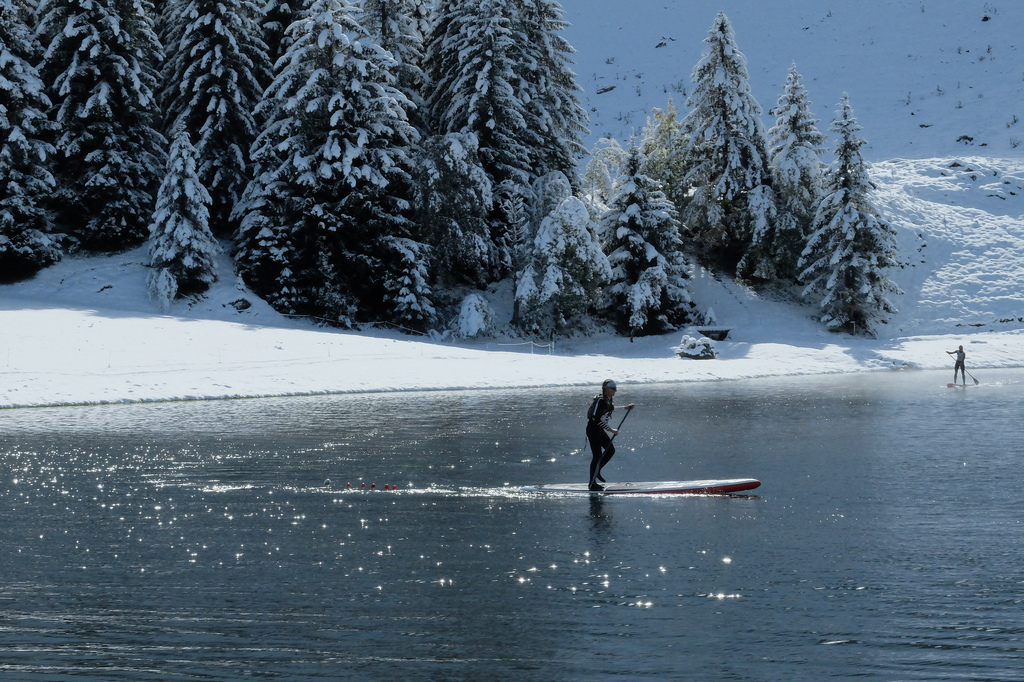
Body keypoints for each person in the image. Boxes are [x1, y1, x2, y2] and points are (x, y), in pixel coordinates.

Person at [586, 379, 634, 491]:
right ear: (606, 389)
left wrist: (626, 408)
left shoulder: (608, 399)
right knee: (597, 456)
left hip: (599, 430)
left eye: (615, 389)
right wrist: (611, 430)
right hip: (593, 430)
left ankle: (597, 472)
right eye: (613, 389)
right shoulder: (600, 401)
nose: (615, 391)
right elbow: (595, 418)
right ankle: (592, 484)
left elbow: (611, 409)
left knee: (610, 450)